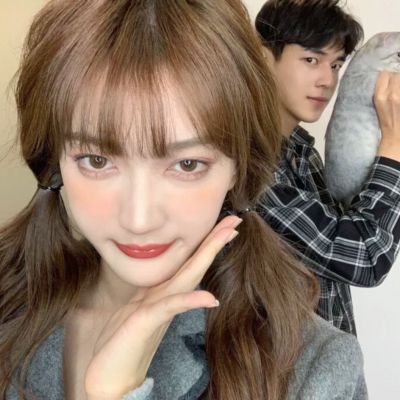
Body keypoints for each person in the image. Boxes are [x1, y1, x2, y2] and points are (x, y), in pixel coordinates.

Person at [0, 0, 367, 399]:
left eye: (187, 164)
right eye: (97, 160)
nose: (139, 219)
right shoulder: (9, 304)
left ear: (238, 167)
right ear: (54, 161)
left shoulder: (313, 369)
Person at [255, 0, 400, 335]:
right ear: (262, 58)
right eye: (311, 60)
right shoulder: (249, 166)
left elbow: (353, 225)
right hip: (287, 367)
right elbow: (366, 258)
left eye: (336, 65)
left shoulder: (302, 152)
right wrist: (393, 146)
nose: (327, 80)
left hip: (331, 362)